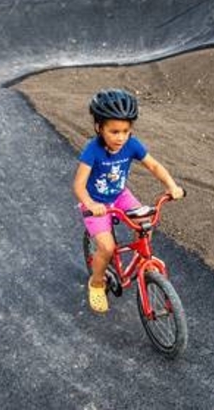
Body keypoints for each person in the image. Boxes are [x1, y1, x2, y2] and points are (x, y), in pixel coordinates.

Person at [73, 89, 185, 314]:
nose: (121, 137)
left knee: (145, 223)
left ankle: (140, 259)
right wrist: (91, 205)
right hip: (96, 203)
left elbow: (154, 165)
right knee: (106, 247)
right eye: (114, 131)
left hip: (119, 195)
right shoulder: (92, 150)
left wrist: (171, 186)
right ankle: (96, 283)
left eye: (126, 131)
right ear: (99, 128)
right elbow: (78, 185)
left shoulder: (131, 145)